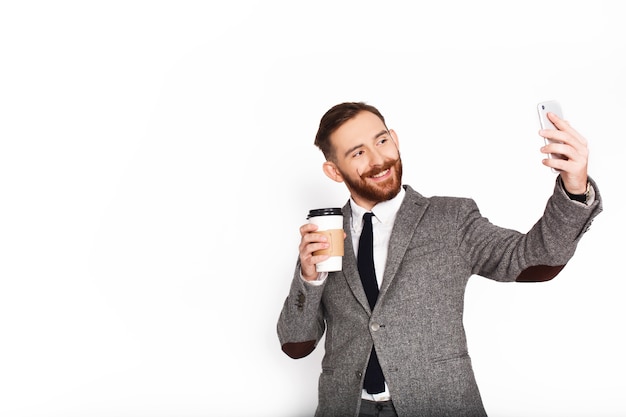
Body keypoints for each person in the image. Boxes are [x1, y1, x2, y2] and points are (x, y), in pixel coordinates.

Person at [276, 102, 602, 417]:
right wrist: (308, 278)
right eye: (359, 152)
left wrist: (574, 189)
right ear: (334, 171)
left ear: (395, 138)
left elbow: (535, 260)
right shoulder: (325, 234)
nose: (379, 159)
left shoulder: (451, 218)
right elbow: (295, 344)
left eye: (382, 141)